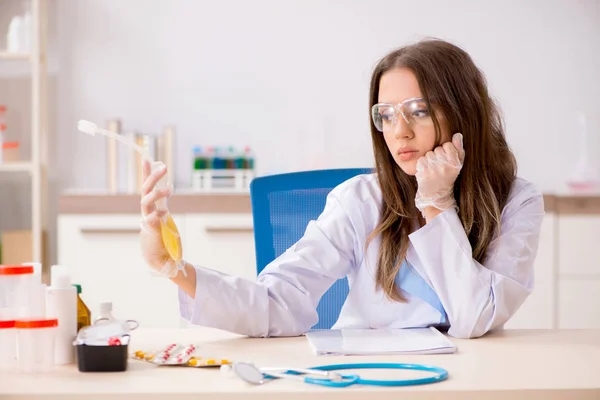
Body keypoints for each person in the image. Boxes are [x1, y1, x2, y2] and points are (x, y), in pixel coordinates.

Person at [139, 38, 544, 339]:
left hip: (473, 381)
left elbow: (475, 319)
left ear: (463, 111)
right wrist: (174, 268)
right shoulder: (361, 200)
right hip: (366, 379)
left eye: (418, 111)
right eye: (385, 115)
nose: (398, 131)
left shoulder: (516, 201)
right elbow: (278, 302)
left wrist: (437, 204)